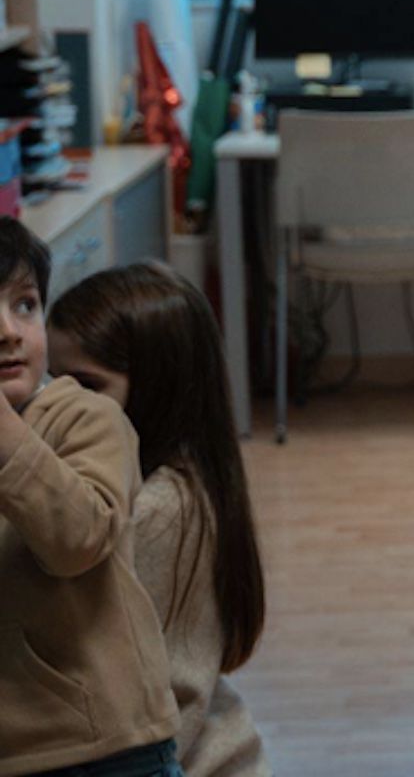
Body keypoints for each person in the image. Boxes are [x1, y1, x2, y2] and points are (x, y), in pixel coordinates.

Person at [49, 264, 271, 777]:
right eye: (55, 383)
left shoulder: (158, 511)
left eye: (86, 386)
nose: (62, 408)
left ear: (158, 388)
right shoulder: (181, 478)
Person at [0, 219, 182, 777]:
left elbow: (76, 539)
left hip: (105, 746)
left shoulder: (85, 417)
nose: (8, 330)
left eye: (25, 305)